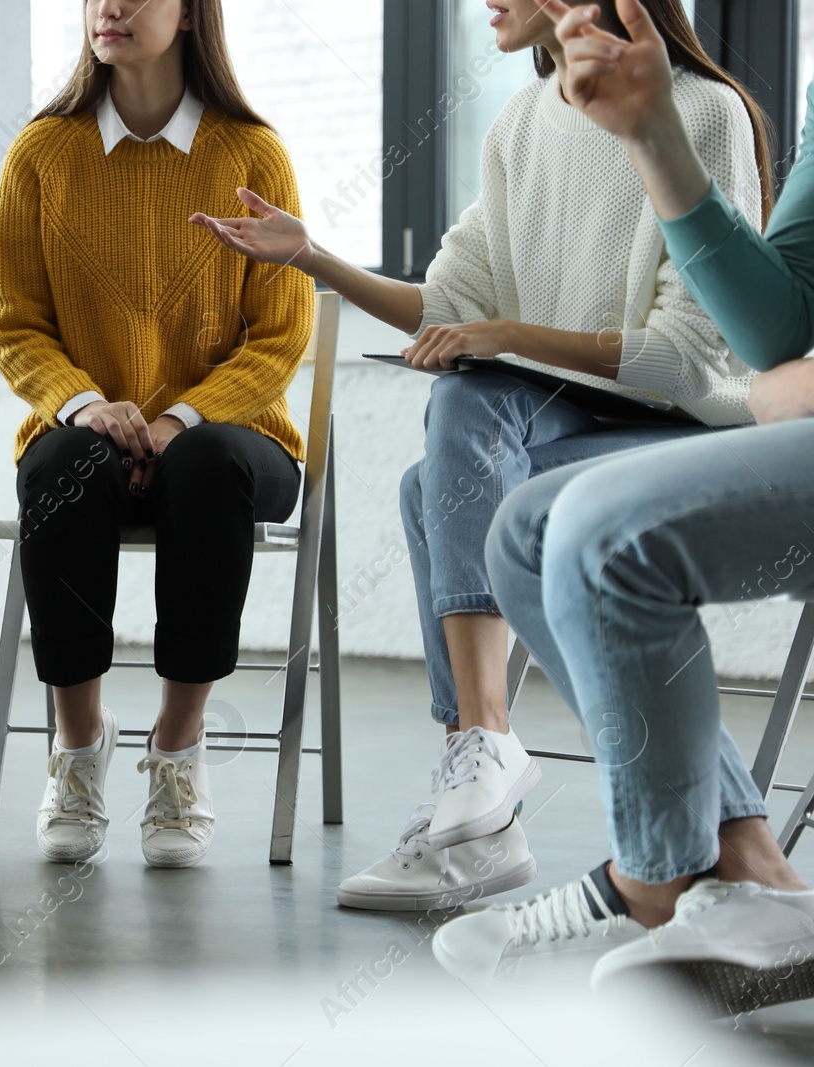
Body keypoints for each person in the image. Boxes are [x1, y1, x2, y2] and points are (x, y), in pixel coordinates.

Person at [191, 0, 770, 909]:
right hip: (564, 418)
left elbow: (686, 358)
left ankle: (483, 777)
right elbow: (447, 301)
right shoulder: (519, 123)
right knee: (449, 444)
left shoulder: (701, 112)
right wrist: (311, 256)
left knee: (440, 476)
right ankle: (486, 771)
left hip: (677, 427)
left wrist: (500, 334)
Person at [432, 0, 814, 1016]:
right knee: (528, 523)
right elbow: (780, 332)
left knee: (594, 533)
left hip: (696, 415)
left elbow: (705, 361)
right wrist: (650, 139)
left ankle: (653, 886)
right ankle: (745, 874)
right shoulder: (529, 125)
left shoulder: (717, 106)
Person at [0, 0, 314, 869]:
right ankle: (80, 745)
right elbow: (16, 324)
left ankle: (177, 748)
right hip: (91, 428)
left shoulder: (251, 153)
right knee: (61, 461)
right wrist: (86, 402)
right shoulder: (41, 154)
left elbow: (280, 336)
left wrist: (182, 415)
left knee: (205, 464)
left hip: (234, 439)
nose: (111, 7)